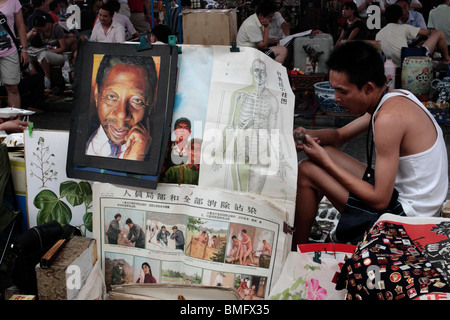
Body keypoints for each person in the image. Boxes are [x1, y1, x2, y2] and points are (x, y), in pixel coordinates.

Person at [292, 40, 448, 246]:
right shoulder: (393, 97)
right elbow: (340, 136)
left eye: (343, 92)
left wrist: (325, 162)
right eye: (334, 90)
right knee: (326, 151)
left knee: (308, 169)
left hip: (408, 220)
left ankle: (297, 248)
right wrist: (307, 134)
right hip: (408, 198)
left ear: (368, 88)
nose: (336, 98)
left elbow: (380, 199)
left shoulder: (388, 119)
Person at [85, 55, 157, 161]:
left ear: (149, 105)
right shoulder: (83, 137)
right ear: (97, 95)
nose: (122, 115)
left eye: (137, 100)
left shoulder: (156, 152)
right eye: (111, 96)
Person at [375, 4, 450, 67]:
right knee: (438, 32)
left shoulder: (378, 34)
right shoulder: (403, 27)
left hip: (397, 65)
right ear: (400, 17)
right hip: (413, 60)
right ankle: (446, 59)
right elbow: (426, 33)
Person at [0, 0, 29, 109]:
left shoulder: (13, 2)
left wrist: (24, 50)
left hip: (9, 51)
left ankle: (15, 121)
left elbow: (20, 26)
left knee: (12, 88)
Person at [26, 13, 68, 89]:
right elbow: (24, 40)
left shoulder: (56, 28)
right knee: (27, 55)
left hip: (58, 56)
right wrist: (32, 32)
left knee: (43, 55)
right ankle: (36, 77)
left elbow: (63, 48)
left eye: (41, 29)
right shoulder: (39, 31)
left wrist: (48, 51)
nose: (41, 32)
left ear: (47, 24)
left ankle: (47, 80)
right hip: (44, 53)